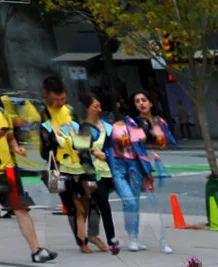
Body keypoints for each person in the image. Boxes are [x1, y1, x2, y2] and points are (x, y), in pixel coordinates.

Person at [0, 89, 55, 262]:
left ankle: (34, 250)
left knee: (14, 207)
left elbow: (8, 134)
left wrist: (16, 147)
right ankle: (33, 250)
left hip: (8, 166)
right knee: (2, 206)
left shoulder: (0, 108)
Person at [41, 76, 99, 252]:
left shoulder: (70, 111)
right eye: (55, 99)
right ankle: (81, 242)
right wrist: (56, 139)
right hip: (58, 166)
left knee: (91, 199)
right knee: (71, 205)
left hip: (79, 164)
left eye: (63, 98)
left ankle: (92, 234)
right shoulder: (44, 115)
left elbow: (81, 136)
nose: (60, 102)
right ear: (46, 96)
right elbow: (45, 148)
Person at [116, 90, 176, 253]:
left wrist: (161, 132)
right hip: (138, 166)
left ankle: (163, 241)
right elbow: (136, 146)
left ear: (151, 103)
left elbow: (171, 142)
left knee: (158, 204)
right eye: (137, 101)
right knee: (134, 202)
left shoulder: (159, 121)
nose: (141, 103)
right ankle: (133, 238)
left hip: (158, 163)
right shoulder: (133, 123)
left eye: (144, 100)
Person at [81, 92, 119, 253]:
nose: (99, 109)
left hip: (107, 170)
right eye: (95, 106)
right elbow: (81, 150)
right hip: (92, 171)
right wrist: (94, 153)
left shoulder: (105, 125)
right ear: (87, 108)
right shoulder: (83, 128)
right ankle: (111, 240)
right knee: (103, 205)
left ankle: (90, 235)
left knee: (96, 205)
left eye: (99, 106)